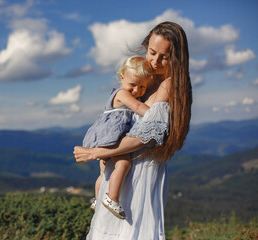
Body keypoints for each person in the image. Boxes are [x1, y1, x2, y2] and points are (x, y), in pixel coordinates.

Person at [74, 21, 192, 240]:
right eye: (152, 52)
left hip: (141, 170)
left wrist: (97, 152)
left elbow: (148, 135)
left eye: (164, 57)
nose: (155, 61)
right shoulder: (142, 78)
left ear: (176, 58)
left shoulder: (169, 84)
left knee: (129, 232)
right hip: (121, 166)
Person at [82, 57, 152, 219]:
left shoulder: (125, 92)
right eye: (132, 85)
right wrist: (156, 114)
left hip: (105, 136)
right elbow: (138, 107)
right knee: (123, 163)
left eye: (142, 86)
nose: (136, 90)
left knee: (104, 171)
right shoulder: (121, 93)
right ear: (122, 77)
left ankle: (97, 198)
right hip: (112, 137)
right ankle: (112, 198)